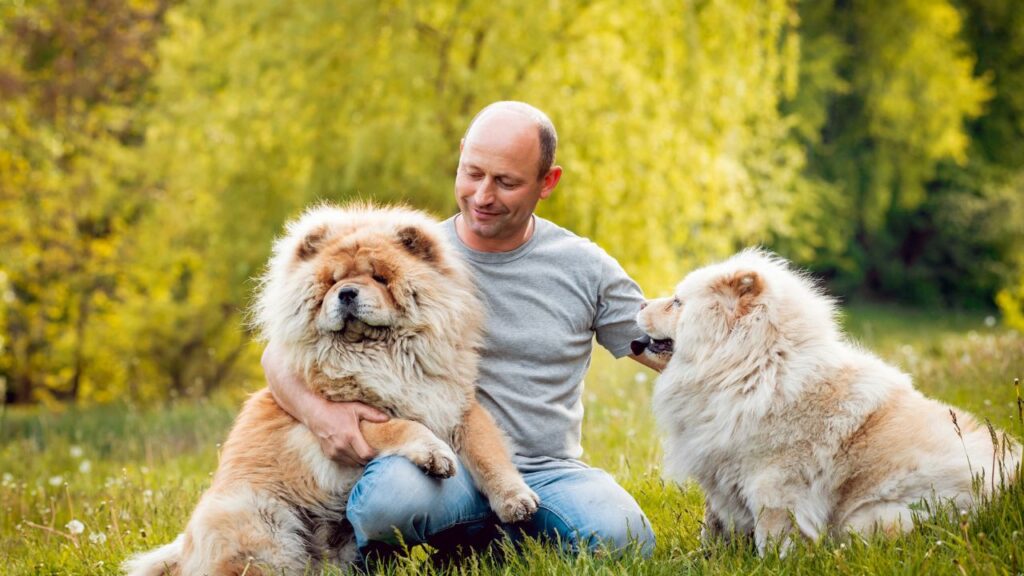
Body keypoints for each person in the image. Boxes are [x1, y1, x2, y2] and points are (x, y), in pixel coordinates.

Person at [262, 101, 660, 561]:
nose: (483, 196)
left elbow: (663, 346)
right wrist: (320, 415)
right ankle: (445, 541)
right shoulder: (408, 250)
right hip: (439, 463)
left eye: (506, 182)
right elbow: (280, 357)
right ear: (461, 155)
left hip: (547, 469)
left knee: (627, 538)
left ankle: (483, 544)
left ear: (547, 182)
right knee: (386, 502)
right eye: (473, 173)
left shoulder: (582, 265)